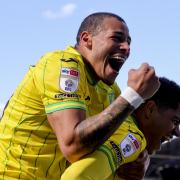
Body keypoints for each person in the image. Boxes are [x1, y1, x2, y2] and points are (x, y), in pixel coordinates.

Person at [0, 12, 159, 179]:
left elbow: (129, 135)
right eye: (117, 38)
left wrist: (141, 161)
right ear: (86, 39)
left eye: (128, 42)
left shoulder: (111, 91)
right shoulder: (62, 64)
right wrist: (134, 95)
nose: (126, 48)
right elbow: (72, 145)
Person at [61, 77, 180, 180]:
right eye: (175, 121)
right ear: (150, 110)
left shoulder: (123, 128)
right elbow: (75, 177)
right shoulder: (133, 137)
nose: (177, 132)